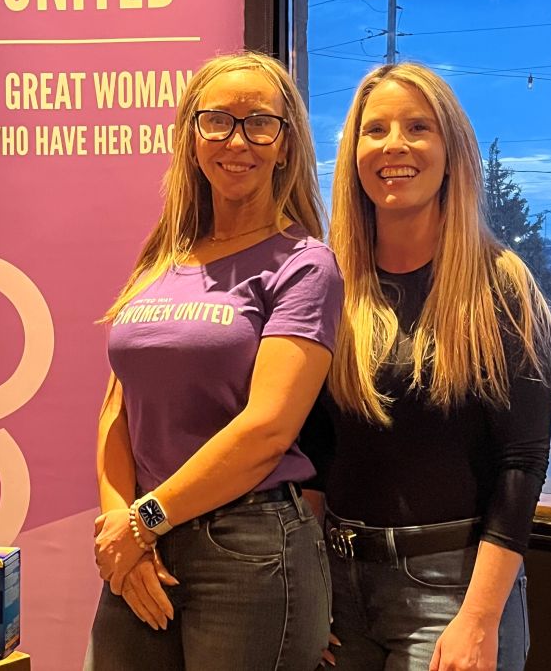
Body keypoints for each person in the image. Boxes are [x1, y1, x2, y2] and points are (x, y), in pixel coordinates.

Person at [85, 51, 343, 671]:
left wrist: (143, 522)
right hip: (146, 543)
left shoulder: (305, 265)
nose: (238, 140)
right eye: (218, 120)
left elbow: (268, 429)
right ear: (191, 137)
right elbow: (118, 408)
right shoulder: (163, 259)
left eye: (261, 123)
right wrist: (121, 525)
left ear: (285, 145)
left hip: (249, 549)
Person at [301, 62, 551, 671]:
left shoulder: (502, 287)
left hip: (454, 592)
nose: (395, 145)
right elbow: (316, 454)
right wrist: (311, 584)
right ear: (354, 153)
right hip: (338, 590)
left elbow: (521, 465)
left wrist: (480, 618)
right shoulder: (331, 286)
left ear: (452, 151)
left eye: (418, 127)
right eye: (376, 129)